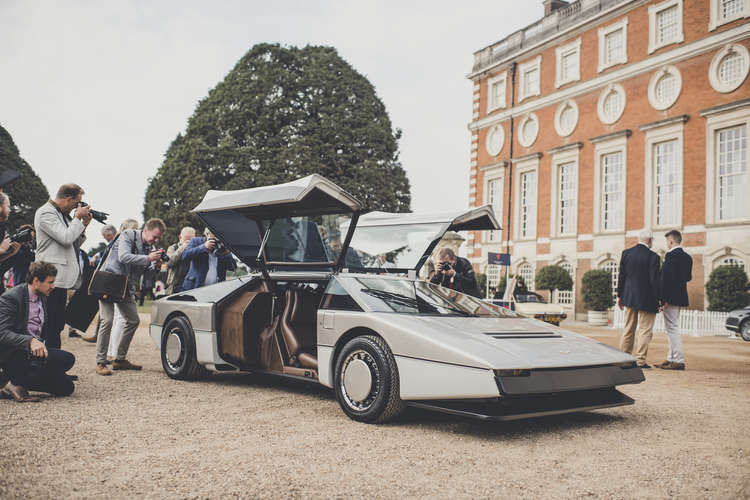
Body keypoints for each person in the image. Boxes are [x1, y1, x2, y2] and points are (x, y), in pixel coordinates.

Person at [94, 218, 166, 375]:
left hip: (126, 287)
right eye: (154, 236)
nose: (156, 240)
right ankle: (101, 362)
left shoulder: (150, 248)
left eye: (158, 238)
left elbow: (146, 273)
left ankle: (119, 359)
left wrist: (156, 265)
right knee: (107, 320)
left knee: (133, 320)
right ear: (145, 230)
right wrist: (148, 258)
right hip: (110, 281)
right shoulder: (127, 235)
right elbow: (123, 257)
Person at [0, 262, 76, 402]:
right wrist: (29, 341)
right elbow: (2, 333)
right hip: (13, 354)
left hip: (33, 355)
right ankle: (11, 382)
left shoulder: (42, 296)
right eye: (50, 282)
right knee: (64, 363)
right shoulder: (11, 298)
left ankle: (14, 380)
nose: (53, 286)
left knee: (67, 385)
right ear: (36, 281)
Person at [34, 184, 92, 349]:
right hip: (49, 277)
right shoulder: (46, 212)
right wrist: (77, 219)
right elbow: (66, 237)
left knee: (57, 324)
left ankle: (55, 368)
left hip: (59, 279)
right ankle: (47, 369)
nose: (77, 207)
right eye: (76, 203)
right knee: (48, 324)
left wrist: (83, 224)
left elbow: (74, 243)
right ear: (68, 198)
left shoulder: (64, 216)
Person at [617, 229, 661, 369]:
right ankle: (640, 360)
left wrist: (620, 295)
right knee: (645, 330)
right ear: (649, 240)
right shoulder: (653, 257)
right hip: (647, 298)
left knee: (628, 327)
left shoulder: (626, 253)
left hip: (629, 296)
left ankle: (624, 358)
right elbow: (654, 280)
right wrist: (660, 298)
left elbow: (621, 276)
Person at [656, 230, 692, 371]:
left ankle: (677, 360)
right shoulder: (687, 257)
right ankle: (671, 358)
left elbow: (665, 279)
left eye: (667, 242)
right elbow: (688, 278)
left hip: (670, 297)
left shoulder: (670, 256)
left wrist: (663, 299)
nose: (667, 244)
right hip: (680, 296)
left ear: (671, 241)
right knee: (672, 327)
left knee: (672, 328)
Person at [165, 226, 195, 294]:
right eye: (186, 239)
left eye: (191, 240)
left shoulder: (194, 250)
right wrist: (183, 247)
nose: (189, 242)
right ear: (180, 237)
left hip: (189, 285)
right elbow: (169, 263)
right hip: (174, 285)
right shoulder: (172, 248)